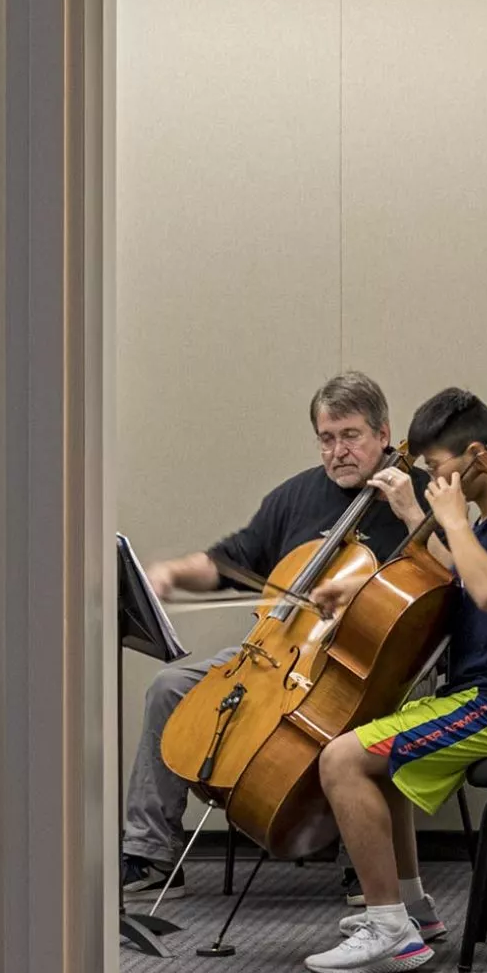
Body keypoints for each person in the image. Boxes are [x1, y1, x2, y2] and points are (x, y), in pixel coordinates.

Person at [122, 372, 428, 885]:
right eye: (326, 438)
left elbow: (447, 580)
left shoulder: (414, 498)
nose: (338, 452)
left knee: (362, 710)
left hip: (377, 666)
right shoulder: (295, 496)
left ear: (383, 434)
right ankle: (150, 852)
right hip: (283, 657)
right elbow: (230, 559)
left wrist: (415, 516)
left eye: (350, 436)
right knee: (169, 686)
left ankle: (371, 868)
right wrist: (174, 571)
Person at [302, 388, 487, 973]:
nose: (434, 482)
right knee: (373, 752)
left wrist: (446, 517)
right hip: (484, 699)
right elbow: (456, 576)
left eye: (439, 470)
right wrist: (413, 526)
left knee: (342, 760)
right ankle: (412, 908)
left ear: (477, 456)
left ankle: (389, 930)